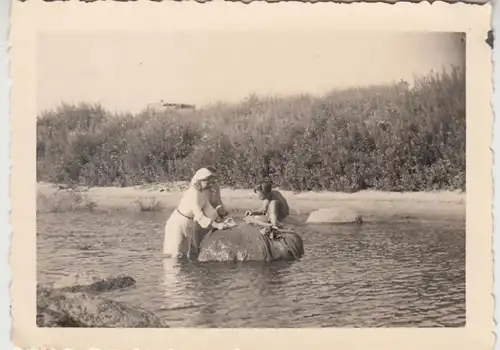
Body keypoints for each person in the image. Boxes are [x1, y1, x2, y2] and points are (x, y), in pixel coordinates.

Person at [163, 167, 230, 259]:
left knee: (185, 254)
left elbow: (210, 211)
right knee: (174, 254)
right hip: (177, 223)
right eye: (207, 181)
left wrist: (222, 220)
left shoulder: (202, 194)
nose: (209, 183)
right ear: (200, 181)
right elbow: (200, 217)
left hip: (188, 223)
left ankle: (183, 273)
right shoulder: (193, 194)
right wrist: (218, 226)